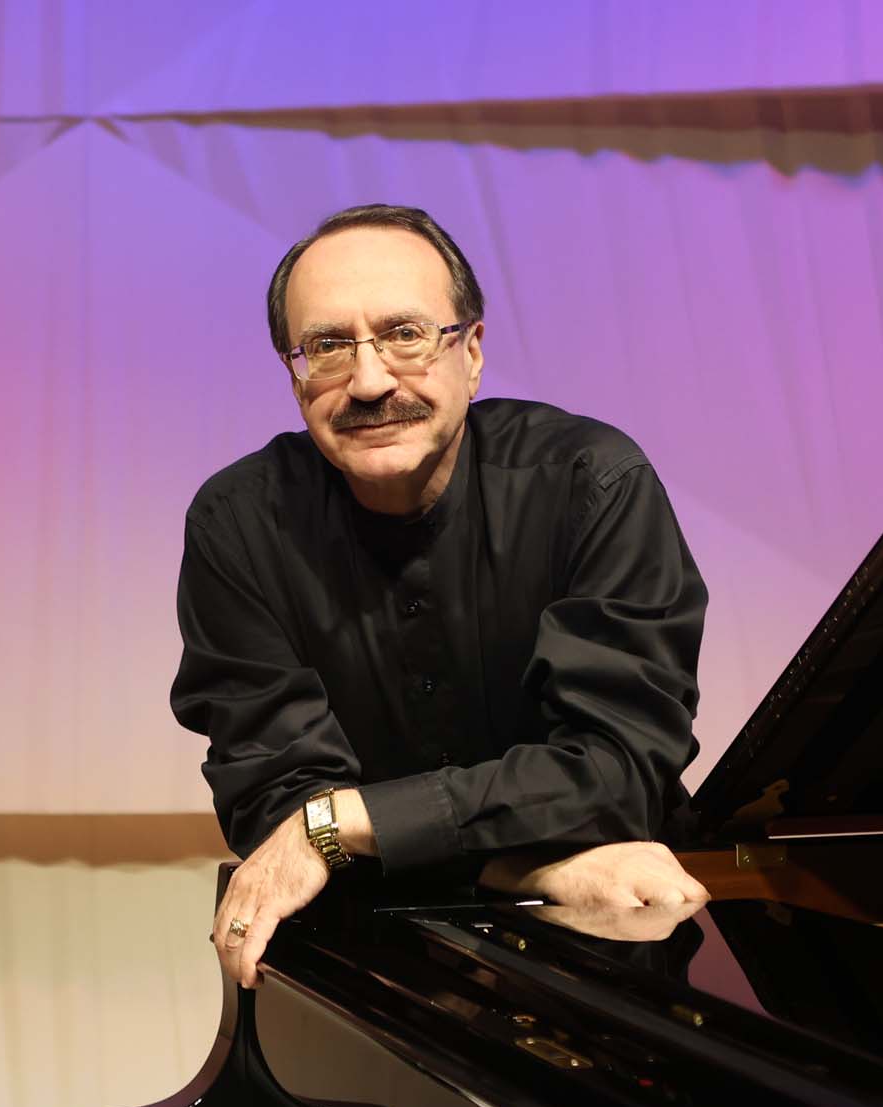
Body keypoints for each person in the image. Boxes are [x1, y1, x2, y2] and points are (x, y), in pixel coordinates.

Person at [172, 204, 709, 988]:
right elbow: (275, 802)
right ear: (294, 376)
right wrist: (521, 872)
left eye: (405, 334)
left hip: (623, 935)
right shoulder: (238, 523)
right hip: (382, 947)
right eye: (327, 347)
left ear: (472, 352)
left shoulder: (591, 484)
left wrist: (346, 821)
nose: (368, 381)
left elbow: (614, 772)